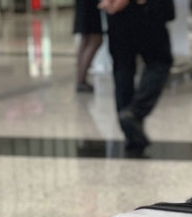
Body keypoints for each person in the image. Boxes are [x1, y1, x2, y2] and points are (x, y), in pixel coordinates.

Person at [97, 0, 175, 150]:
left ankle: (131, 133)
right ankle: (135, 112)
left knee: (122, 68)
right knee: (159, 62)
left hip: (118, 14)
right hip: (145, 10)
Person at [74, 0, 103, 93]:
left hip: (84, 4)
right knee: (94, 38)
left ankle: (81, 78)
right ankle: (81, 79)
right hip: (89, 4)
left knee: (86, 39)